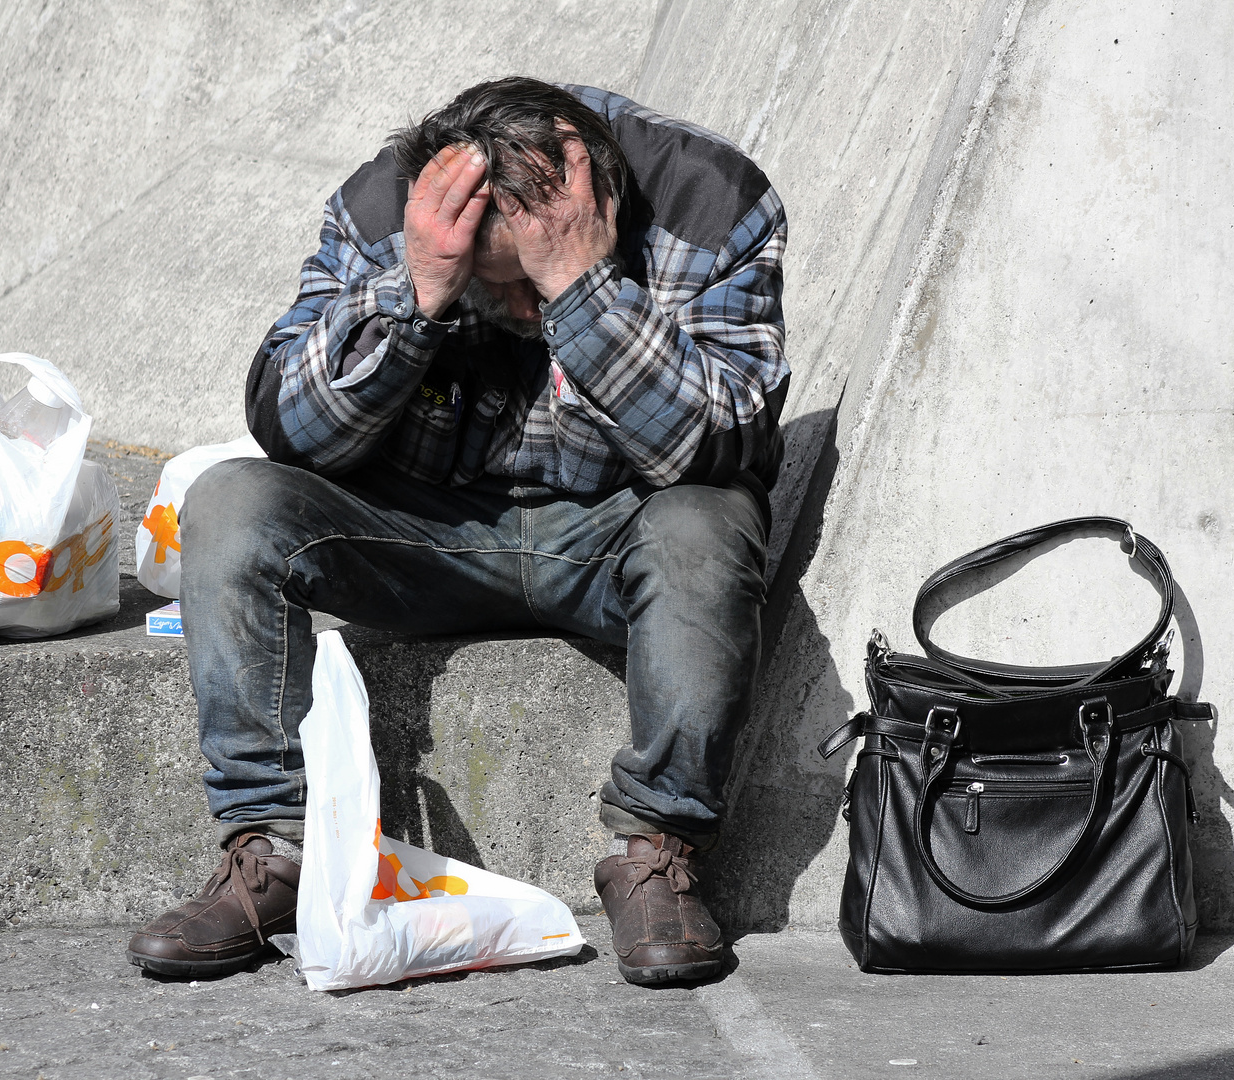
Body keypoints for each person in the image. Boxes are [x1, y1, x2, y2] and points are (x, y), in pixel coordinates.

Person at [127, 77, 788, 987]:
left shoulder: (711, 205)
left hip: (616, 535)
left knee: (710, 523)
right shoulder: (386, 204)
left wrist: (581, 293)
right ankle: (272, 851)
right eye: (499, 290)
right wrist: (418, 292)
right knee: (232, 502)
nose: (525, 318)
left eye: (530, 288)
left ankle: (657, 852)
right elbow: (289, 425)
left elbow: (722, 443)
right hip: (416, 534)